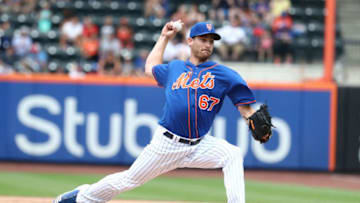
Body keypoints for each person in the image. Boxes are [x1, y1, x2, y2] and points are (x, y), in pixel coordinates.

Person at [54, 21, 272, 203]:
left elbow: (245, 107)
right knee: (128, 180)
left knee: (232, 154)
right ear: (190, 41)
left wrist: (251, 119)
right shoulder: (175, 68)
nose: (207, 45)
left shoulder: (225, 74)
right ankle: (82, 197)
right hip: (167, 144)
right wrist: (164, 37)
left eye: (211, 41)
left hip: (200, 144)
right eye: (203, 39)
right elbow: (150, 67)